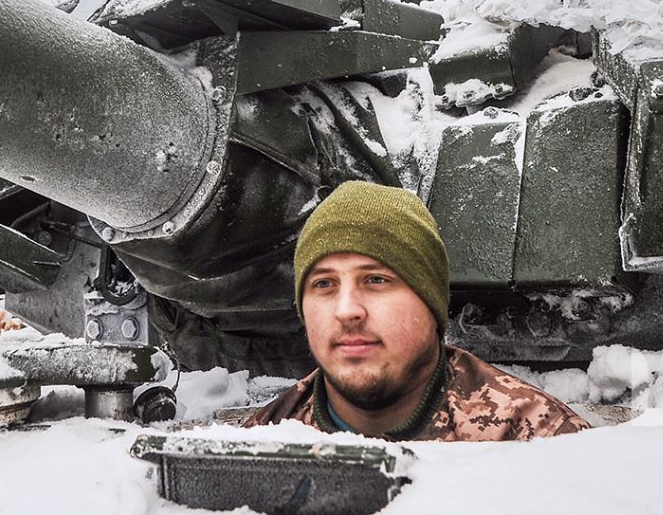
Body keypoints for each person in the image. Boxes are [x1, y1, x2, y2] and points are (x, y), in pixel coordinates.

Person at [245, 181, 590, 441]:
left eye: (376, 280)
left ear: (431, 301)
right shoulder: (260, 442)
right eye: (323, 284)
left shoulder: (536, 440)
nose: (347, 310)